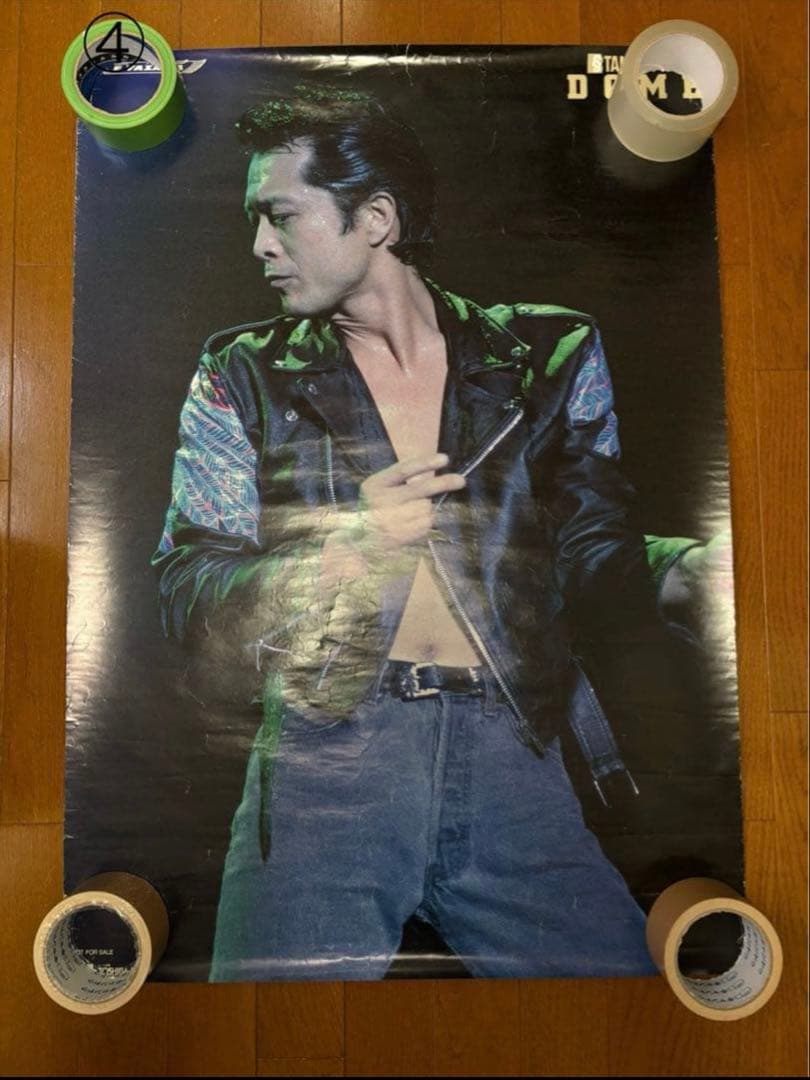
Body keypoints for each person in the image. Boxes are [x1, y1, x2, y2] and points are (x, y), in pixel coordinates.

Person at [152, 84, 715, 982]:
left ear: (375, 219)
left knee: (621, 1019)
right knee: (266, 1035)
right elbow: (188, 590)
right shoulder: (240, 376)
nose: (258, 244)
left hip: (516, 753)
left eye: (281, 215)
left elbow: (586, 550)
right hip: (328, 757)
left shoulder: (548, 355)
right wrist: (346, 546)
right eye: (256, 219)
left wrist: (686, 572)